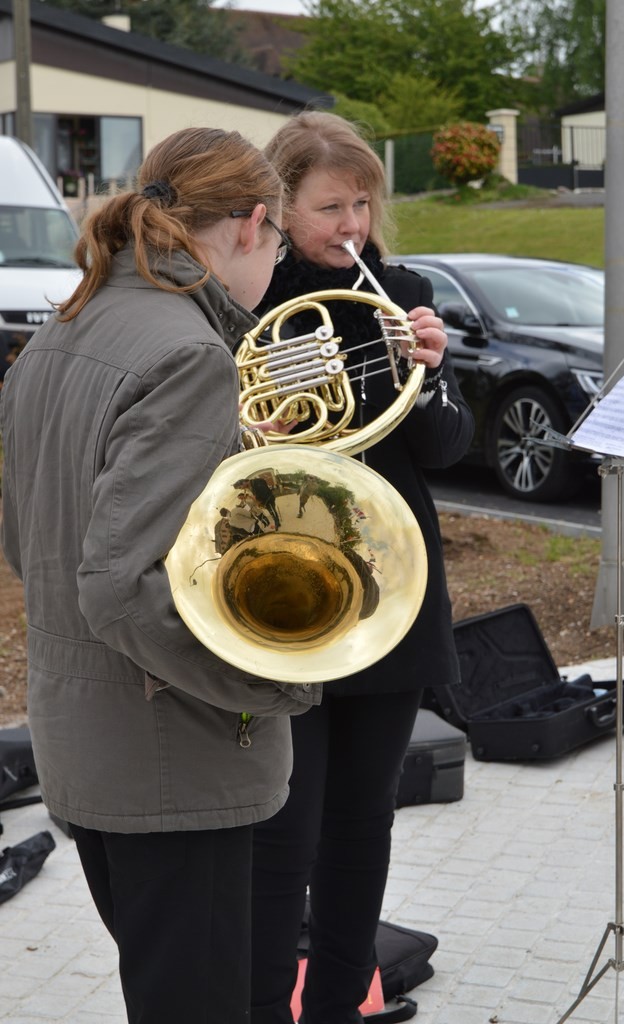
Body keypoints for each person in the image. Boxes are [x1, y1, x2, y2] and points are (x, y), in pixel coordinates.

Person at [0, 125, 320, 1024]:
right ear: (253, 225)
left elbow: (29, 543)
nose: (276, 271)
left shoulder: (68, 324)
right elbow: (117, 584)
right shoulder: (188, 353)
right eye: (283, 243)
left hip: (89, 742)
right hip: (176, 762)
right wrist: (265, 681)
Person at [249, 110, 476, 1024]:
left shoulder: (400, 289)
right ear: (277, 205)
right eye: (328, 206)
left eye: (362, 203)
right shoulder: (249, 297)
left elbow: (447, 447)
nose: (350, 225)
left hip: (389, 588)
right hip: (283, 597)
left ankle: (340, 1007)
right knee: (284, 831)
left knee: (362, 828)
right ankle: (265, 1007)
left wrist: (425, 365)